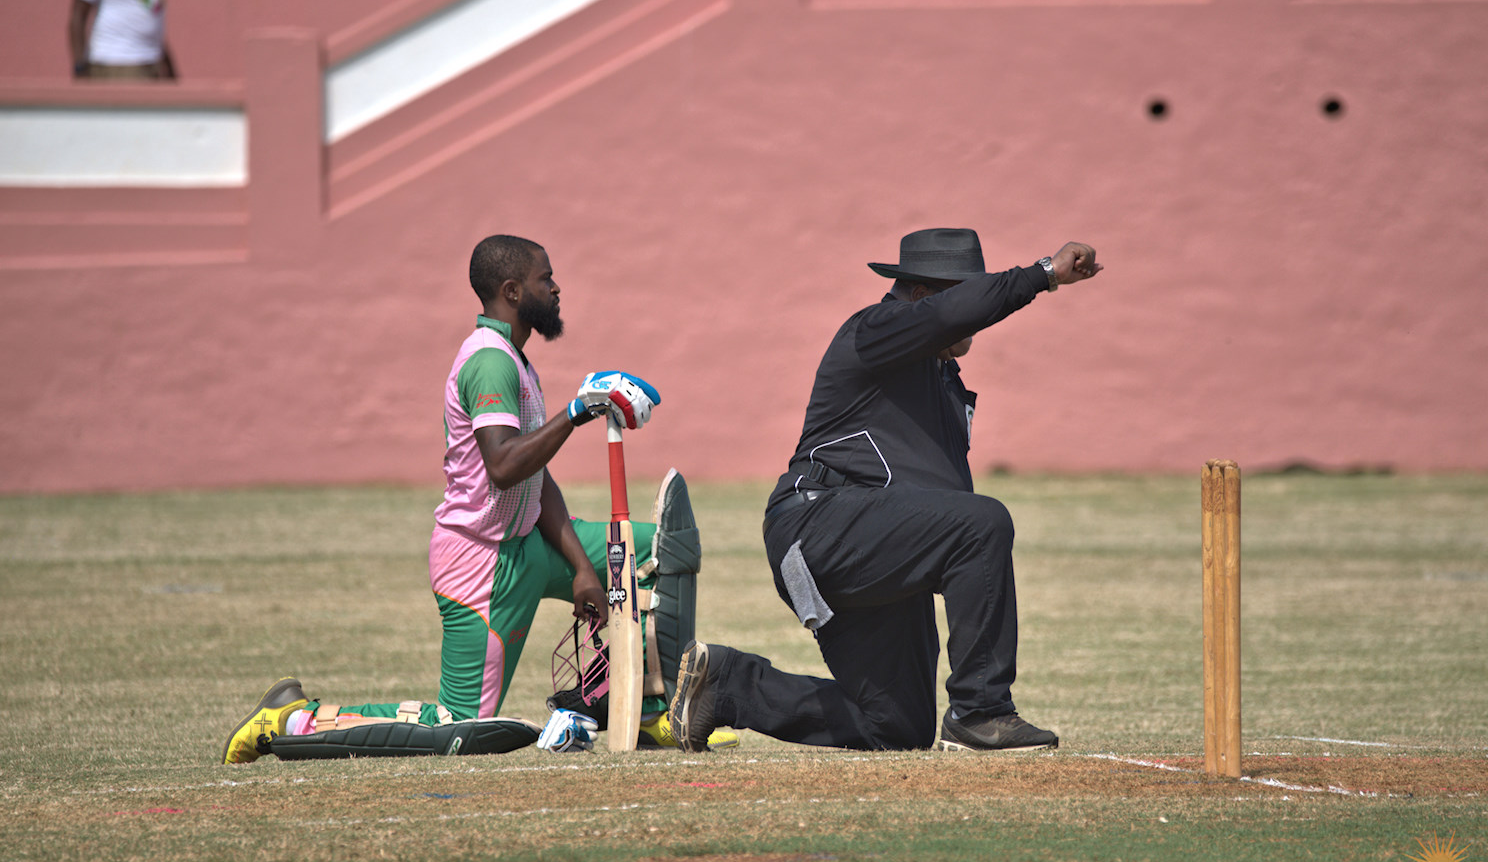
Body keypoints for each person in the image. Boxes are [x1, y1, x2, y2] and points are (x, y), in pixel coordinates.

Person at [223, 235, 712, 762]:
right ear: (512, 290)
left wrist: (582, 566)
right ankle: (291, 720)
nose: (556, 286)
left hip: (529, 546)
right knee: (457, 728)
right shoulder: (489, 361)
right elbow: (504, 467)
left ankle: (647, 711)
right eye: (545, 278)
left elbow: (535, 478)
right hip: (479, 564)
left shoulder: (517, 362)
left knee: (661, 549)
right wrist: (576, 412)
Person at [669, 227, 1103, 753]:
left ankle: (728, 686)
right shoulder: (878, 327)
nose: (974, 315)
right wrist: (1043, 275)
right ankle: (981, 709)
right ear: (921, 295)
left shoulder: (939, 378)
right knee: (982, 521)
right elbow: (949, 316)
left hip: (874, 553)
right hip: (816, 526)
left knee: (898, 728)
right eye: (963, 293)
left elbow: (940, 511)